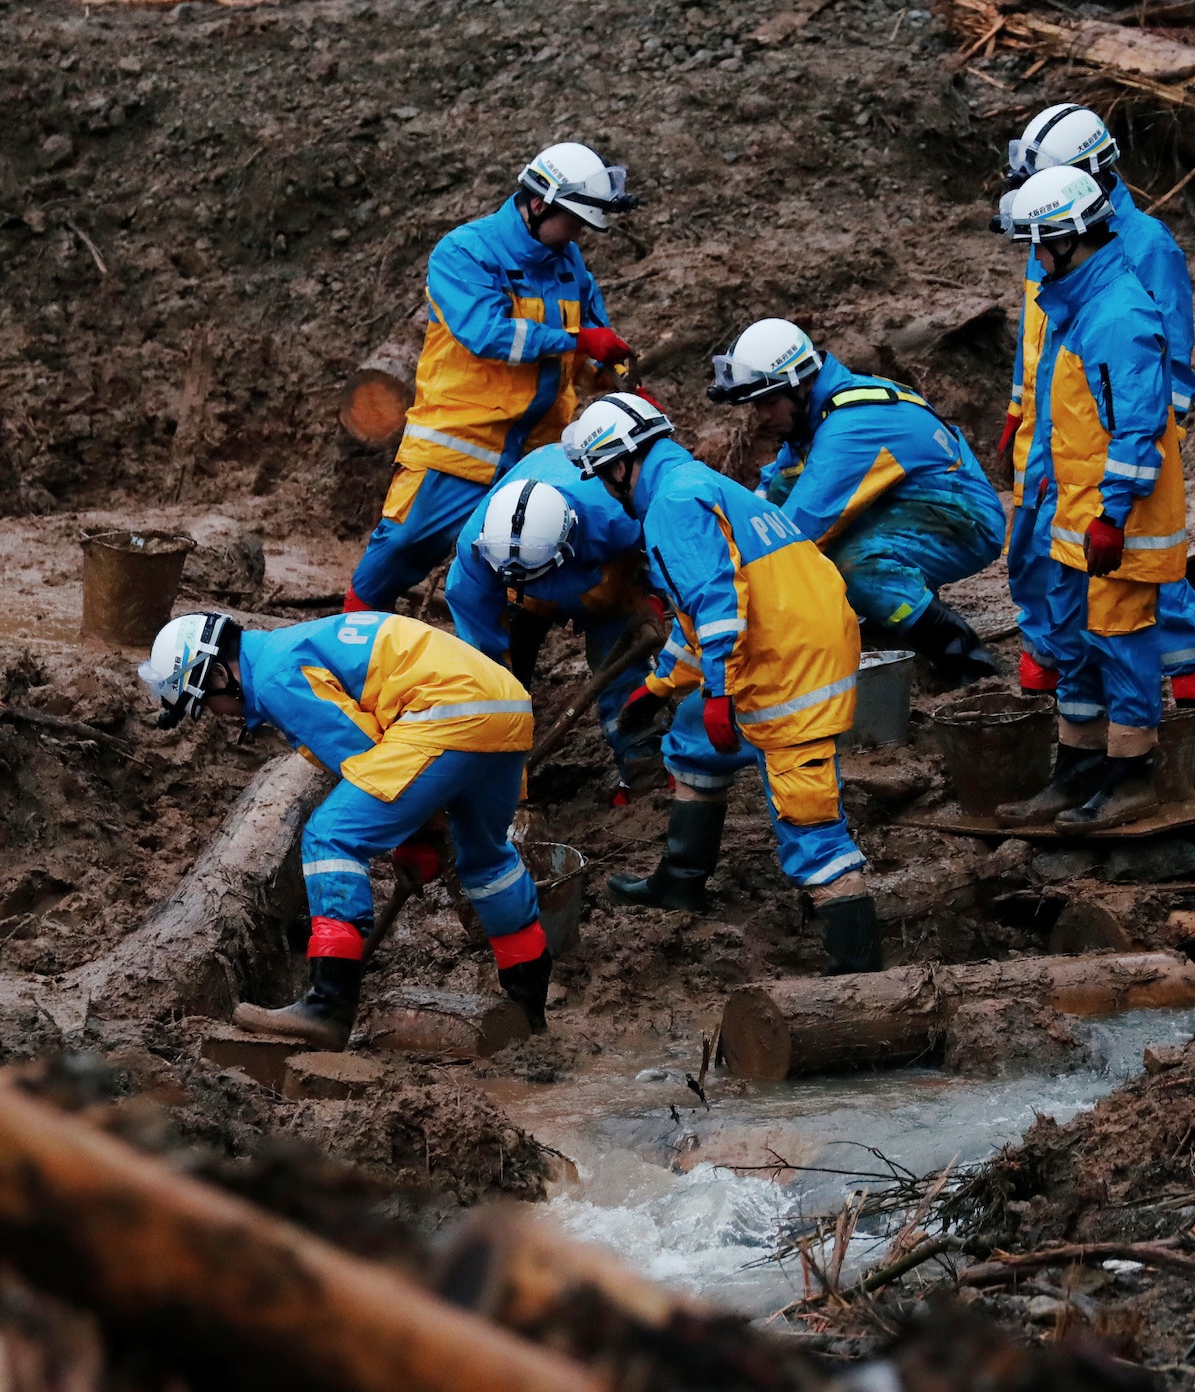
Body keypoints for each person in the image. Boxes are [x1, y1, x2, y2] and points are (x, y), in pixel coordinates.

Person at [565, 393, 879, 975]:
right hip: (789, 643)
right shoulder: (697, 484)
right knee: (690, 740)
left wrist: (716, 693)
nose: (608, 492)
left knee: (807, 818)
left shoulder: (672, 505)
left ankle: (857, 966)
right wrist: (661, 688)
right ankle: (680, 881)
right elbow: (699, 618)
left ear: (618, 463)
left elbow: (718, 609)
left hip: (788, 669)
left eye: (604, 478)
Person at [138, 610, 551, 1049]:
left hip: (447, 713)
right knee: (486, 859)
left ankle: (328, 1005)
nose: (216, 715)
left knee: (330, 834)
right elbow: (394, 773)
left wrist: (414, 832)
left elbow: (364, 752)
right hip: (505, 707)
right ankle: (531, 1011)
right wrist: (419, 833)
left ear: (220, 674)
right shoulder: (293, 646)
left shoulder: (278, 676)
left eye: (204, 704)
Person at [1000, 103, 1195, 784]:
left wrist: (1137, 467)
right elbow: (1038, 342)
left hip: (1110, 450)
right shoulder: (1052, 231)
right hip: (1052, 442)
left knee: (1144, 586)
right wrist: (1019, 413)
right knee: (1050, 570)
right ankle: (1081, 741)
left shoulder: (1140, 247)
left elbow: (1169, 371)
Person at [345, 142, 638, 613]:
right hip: (456, 448)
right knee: (398, 549)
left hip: (536, 456)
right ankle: (346, 652)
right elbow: (488, 335)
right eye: (575, 222)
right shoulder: (465, 253)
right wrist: (578, 339)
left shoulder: (571, 267)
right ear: (540, 204)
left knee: (531, 571)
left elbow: (588, 351)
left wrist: (619, 378)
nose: (578, 235)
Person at [993, 167, 1185, 832]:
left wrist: (1114, 515)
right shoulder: (1078, 307)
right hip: (1078, 511)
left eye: (1041, 247)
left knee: (1121, 638)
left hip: (1116, 518)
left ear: (1073, 240)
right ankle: (1073, 773)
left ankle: (1130, 777)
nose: (1036, 260)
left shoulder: (1117, 319)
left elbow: (1135, 430)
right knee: (1076, 639)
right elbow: (1064, 421)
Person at [716, 318, 1004, 686]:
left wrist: (735, 580)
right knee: (787, 495)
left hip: (966, 519)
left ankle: (965, 661)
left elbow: (800, 529)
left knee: (854, 569)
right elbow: (779, 482)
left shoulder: (849, 428)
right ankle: (886, 613)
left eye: (769, 402)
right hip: (922, 500)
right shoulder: (826, 405)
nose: (763, 417)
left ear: (800, 384)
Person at [444, 449, 656, 800]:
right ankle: (494, 777)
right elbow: (481, 656)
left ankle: (642, 768)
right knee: (497, 679)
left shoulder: (619, 513)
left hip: (603, 573)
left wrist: (655, 590)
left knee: (618, 662)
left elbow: (670, 550)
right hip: (519, 586)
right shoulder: (478, 552)